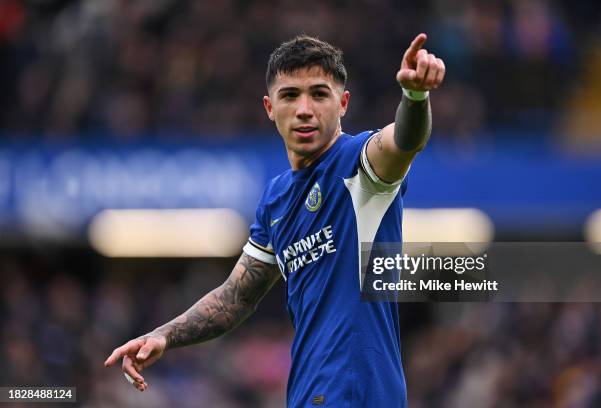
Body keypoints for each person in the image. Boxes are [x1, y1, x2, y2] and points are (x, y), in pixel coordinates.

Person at [105, 33, 445, 407]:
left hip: (358, 393)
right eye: (290, 96)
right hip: (306, 394)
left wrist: (415, 96)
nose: (304, 109)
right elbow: (235, 297)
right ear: (269, 107)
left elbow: (404, 142)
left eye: (319, 94)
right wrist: (163, 335)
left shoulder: (359, 168)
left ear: (342, 103)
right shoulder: (276, 199)